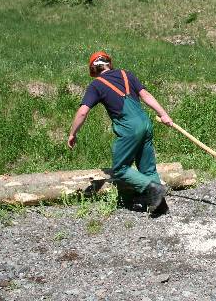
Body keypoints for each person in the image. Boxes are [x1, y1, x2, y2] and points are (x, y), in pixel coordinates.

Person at [67, 51, 173, 214]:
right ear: (109, 63)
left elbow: (82, 112)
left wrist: (72, 133)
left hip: (129, 128)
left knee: (120, 168)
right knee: (148, 168)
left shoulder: (96, 85)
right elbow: (145, 95)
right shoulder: (126, 74)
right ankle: (160, 205)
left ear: (94, 70)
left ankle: (152, 189)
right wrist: (163, 113)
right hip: (145, 123)